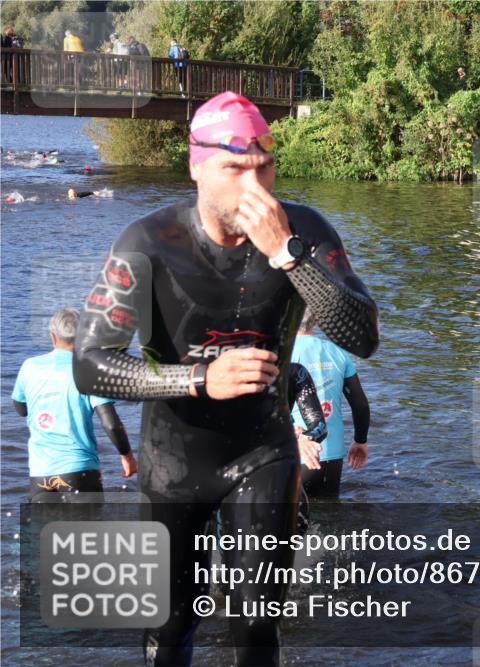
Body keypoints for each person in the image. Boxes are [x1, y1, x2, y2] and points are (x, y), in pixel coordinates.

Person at [73, 90, 378, 667]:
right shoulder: (148, 243)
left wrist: (288, 256)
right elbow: (90, 364)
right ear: (196, 168)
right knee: (168, 626)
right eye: (235, 168)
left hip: (262, 451)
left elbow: (363, 336)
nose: (254, 186)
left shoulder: (302, 230)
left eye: (264, 167)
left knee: (257, 625)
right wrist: (196, 379)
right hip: (172, 461)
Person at [12, 308, 136, 503]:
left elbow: (21, 409)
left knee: (44, 531)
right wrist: (127, 456)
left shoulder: (29, 367)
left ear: (53, 337)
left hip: (40, 474)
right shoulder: (89, 371)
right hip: (79, 471)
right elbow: (111, 423)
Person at [293, 308, 370, 499]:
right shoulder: (338, 352)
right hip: (333, 454)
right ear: (317, 322)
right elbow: (360, 404)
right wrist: (360, 441)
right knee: (330, 516)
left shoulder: (283, 352)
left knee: (291, 521)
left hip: (299, 449)